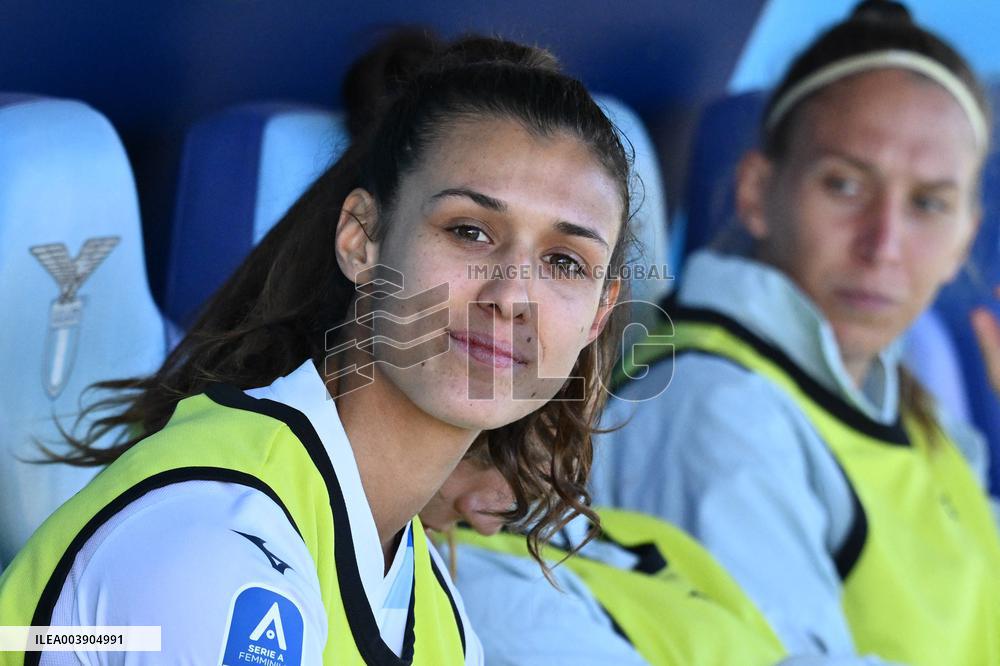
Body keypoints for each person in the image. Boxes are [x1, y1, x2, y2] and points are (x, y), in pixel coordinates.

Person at [0, 33, 636, 665]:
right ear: (362, 241)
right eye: (469, 231)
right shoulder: (222, 543)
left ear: (598, 315)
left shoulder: (435, 610)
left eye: (564, 262)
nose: (512, 296)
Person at [589, 2, 1000, 665]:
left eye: (928, 203)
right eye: (844, 185)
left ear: (965, 238)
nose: (883, 245)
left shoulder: (910, 410)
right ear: (757, 191)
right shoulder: (717, 410)